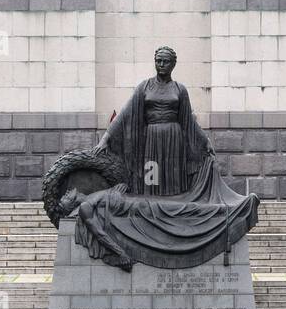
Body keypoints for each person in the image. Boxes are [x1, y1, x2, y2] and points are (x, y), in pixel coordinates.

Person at [61, 46, 260, 271]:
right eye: (158, 61)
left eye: (165, 61)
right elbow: (125, 115)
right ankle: (153, 222)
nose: (161, 65)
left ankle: (173, 219)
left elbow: (190, 121)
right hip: (152, 142)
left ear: (173, 64)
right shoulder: (144, 87)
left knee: (172, 185)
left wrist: (205, 142)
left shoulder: (180, 90)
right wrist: (105, 139)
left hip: (174, 142)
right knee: (151, 182)